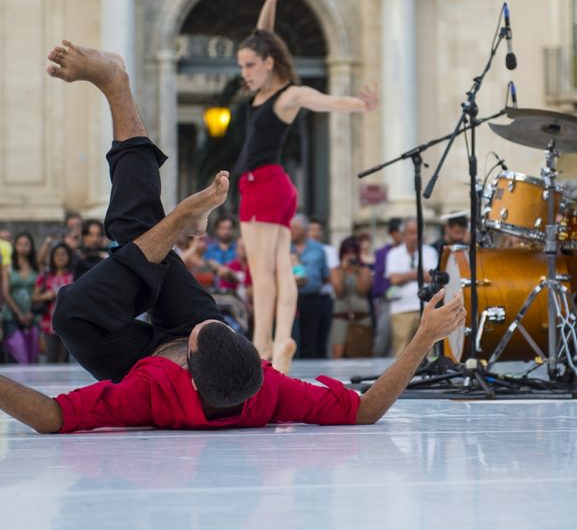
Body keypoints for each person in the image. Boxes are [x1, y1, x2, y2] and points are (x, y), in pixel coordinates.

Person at [0, 41, 466, 434]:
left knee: (72, 310)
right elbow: (364, 412)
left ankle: (177, 214)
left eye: (205, 335)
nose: (213, 321)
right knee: (137, 235)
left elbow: (54, 417)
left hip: (131, 356)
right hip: (194, 338)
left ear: (189, 373)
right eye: (222, 327)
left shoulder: (150, 392)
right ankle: (120, 94)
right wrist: (424, 336)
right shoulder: (265, 388)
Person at [235, 0, 378, 374]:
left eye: (249, 65)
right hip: (264, 186)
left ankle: (262, 345)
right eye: (241, 66)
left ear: (268, 64)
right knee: (279, 268)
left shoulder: (289, 94)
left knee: (262, 272)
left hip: (265, 184)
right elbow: (264, 34)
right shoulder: (264, 90)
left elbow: (323, 101)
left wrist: (358, 104)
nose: (244, 72)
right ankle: (281, 341)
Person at [385, 219, 438, 356]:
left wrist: (407, 275)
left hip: (426, 308)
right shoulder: (394, 254)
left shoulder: (430, 252)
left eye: (418, 233)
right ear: (404, 235)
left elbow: (432, 277)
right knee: (402, 350)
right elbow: (395, 279)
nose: (415, 237)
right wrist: (417, 273)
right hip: (402, 309)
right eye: (411, 233)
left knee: (428, 349)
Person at [291, 213, 331, 358]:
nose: (291, 231)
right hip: (292, 299)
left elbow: (326, 276)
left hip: (312, 299)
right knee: (294, 340)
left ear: (304, 230)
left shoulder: (318, 249)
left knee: (312, 340)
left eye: (295, 228)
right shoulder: (286, 247)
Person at [329, 236, 373, 359]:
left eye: (353, 253)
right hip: (341, 317)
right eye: (347, 253)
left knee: (362, 353)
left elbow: (362, 291)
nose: (350, 256)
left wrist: (357, 271)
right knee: (338, 354)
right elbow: (339, 291)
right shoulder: (336, 271)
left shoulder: (363, 270)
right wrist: (343, 271)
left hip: (361, 318)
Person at [1, 232, 41, 364]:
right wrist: (19, 314)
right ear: (15, 246)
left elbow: (39, 290)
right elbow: (5, 292)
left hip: (33, 314)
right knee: (15, 353)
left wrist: (30, 313)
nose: (23, 247)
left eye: (26, 244)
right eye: (20, 244)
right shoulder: (8, 267)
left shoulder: (36, 267)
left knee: (32, 354)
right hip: (12, 315)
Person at [32, 241, 74, 363]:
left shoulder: (73, 275)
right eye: (57, 254)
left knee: (64, 359)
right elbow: (34, 297)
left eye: (63, 254)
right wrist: (47, 295)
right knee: (51, 357)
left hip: (68, 323)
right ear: (52, 257)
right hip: (48, 323)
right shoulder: (45, 274)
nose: (60, 257)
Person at [371, 218, 403, 357]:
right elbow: (378, 277)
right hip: (387, 299)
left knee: (401, 338)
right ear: (392, 233)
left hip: (406, 300)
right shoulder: (382, 253)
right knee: (383, 335)